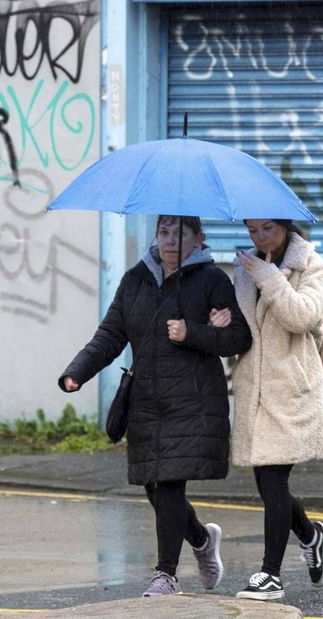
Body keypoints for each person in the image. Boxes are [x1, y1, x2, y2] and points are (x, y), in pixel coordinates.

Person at [59, 215, 251, 596]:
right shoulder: (135, 280)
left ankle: (166, 575)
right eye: (163, 233)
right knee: (153, 485)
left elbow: (238, 338)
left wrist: (193, 331)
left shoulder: (212, 281)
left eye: (179, 234)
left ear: (198, 239)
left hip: (192, 401)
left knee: (168, 486)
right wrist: (77, 371)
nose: (169, 241)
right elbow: (111, 334)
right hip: (146, 400)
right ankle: (199, 538)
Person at [217, 218, 323, 600]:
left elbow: (303, 316)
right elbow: (244, 328)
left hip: (292, 388)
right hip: (255, 388)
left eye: (266, 228)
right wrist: (221, 321)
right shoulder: (246, 267)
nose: (259, 237)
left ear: (285, 225)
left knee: (273, 481)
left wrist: (270, 277)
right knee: (269, 485)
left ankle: (271, 575)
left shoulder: (311, 265)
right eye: (252, 230)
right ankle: (310, 535)